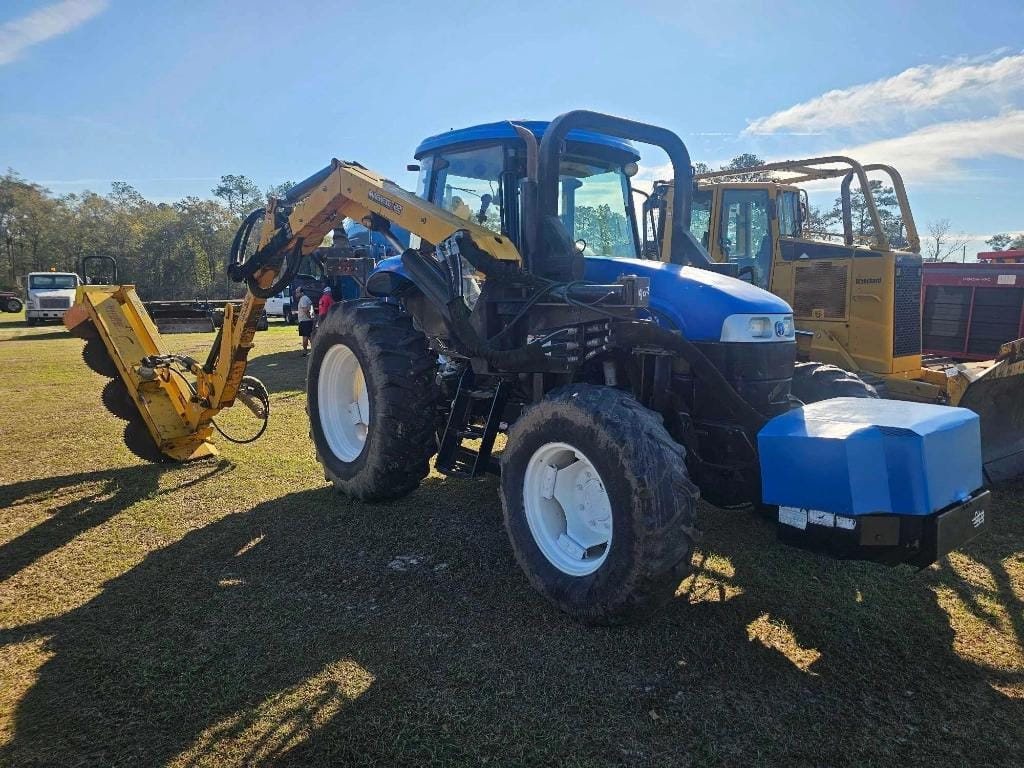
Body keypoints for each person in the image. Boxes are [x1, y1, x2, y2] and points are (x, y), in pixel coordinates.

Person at [296, 287, 314, 356]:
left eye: (297, 292)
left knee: (305, 337)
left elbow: (305, 310)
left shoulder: (303, 299)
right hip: (307, 321)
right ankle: (313, 351)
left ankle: (305, 352)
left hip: (305, 321)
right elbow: (311, 307)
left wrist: (310, 317)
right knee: (310, 337)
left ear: (302, 293)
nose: (296, 294)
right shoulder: (306, 298)